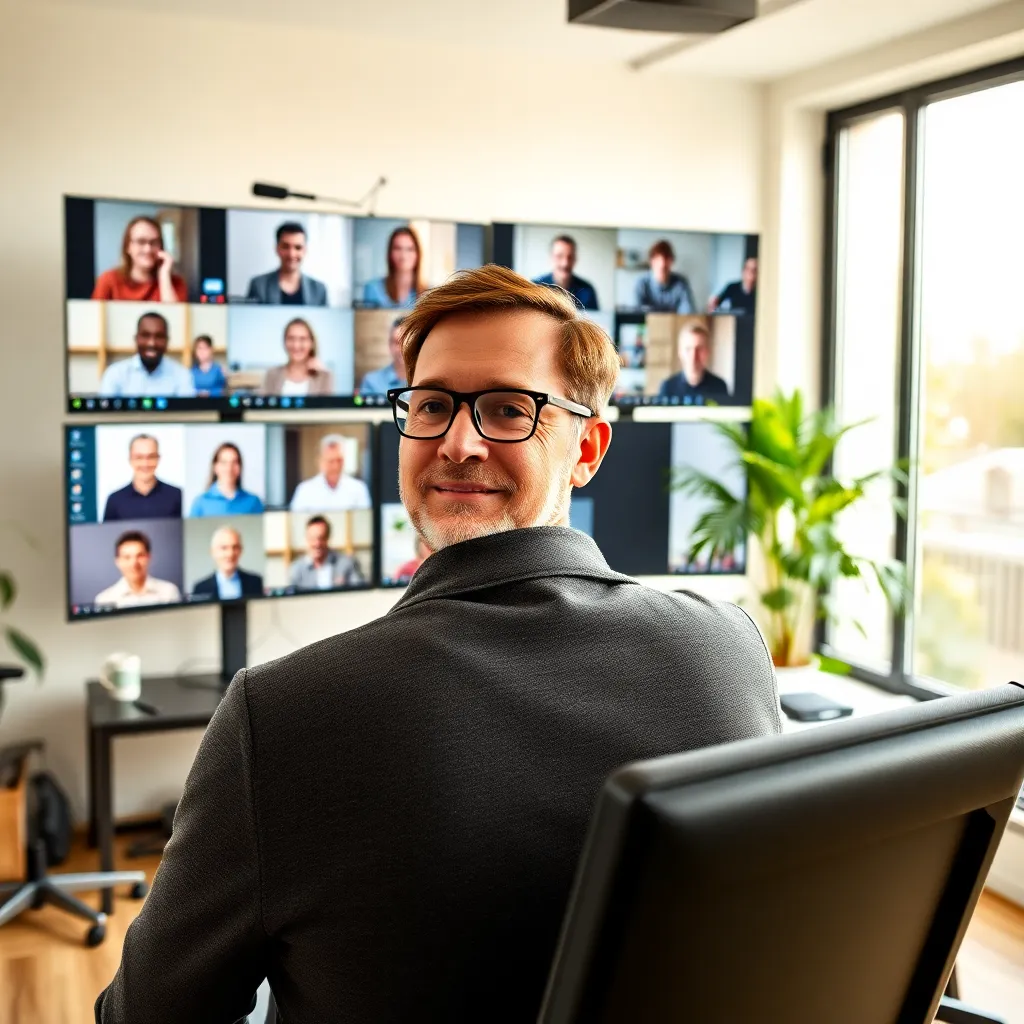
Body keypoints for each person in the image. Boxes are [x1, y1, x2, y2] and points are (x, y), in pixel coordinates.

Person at [96, 265, 780, 1024]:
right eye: (430, 405)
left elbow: (144, 1014)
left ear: (587, 450)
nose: (457, 442)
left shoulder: (281, 714)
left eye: (506, 409)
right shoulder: (729, 644)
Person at [91, 216, 188, 303]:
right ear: (128, 247)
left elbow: (175, 320)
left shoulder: (175, 283)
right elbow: (93, 318)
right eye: (141, 242)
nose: (148, 249)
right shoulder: (108, 280)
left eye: (154, 242)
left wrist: (164, 275)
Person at [99, 312, 196, 398]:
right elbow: (104, 416)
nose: (151, 343)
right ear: (136, 339)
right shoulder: (115, 374)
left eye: (159, 337)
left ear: (167, 341)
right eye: (145, 336)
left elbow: (187, 416)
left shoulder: (182, 375)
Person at [245, 222, 328, 306]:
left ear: (305, 250)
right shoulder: (259, 285)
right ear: (277, 248)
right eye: (285, 247)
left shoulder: (319, 289)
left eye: (298, 248)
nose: (291, 254)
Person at [103, 434, 182, 520]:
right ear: (130, 459)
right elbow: (107, 533)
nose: (145, 463)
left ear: (158, 458)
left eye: (151, 457)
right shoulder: (115, 500)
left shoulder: (176, 496)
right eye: (139, 457)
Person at [93, 530, 181, 608]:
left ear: (149, 558)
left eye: (140, 556)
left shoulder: (169, 592)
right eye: (127, 557)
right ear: (117, 562)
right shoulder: (104, 599)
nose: (134, 563)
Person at [289, 435, 371, 511]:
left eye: (339, 460)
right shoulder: (305, 490)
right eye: (331, 461)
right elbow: (296, 521)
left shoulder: (358, 488)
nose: (336, 466)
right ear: (320, 461)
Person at [259, 318, 336, 397]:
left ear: (312, 343)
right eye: (291, 338)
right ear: (284, 342)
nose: (296, 345)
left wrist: (324, 372)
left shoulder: (324, 376)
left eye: (302, 339)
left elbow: (327, 408)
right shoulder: (272, 374)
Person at [658, 322, 730, 402]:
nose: (693, 356)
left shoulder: (719, 387)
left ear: (708, 351)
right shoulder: (668, 387)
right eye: (688, 349)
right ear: (680, 352)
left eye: (699, 349)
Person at [288, 515, 364, 590]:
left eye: (322, 538)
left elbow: (360, 590)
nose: (317, 544)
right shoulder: (296, 568)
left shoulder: (347, 563)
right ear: (306, 539)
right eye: (312, 538)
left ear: (328, 538)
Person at [189, 442, 264, 517]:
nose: (229, 468)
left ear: (240, 467)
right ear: (215, 467)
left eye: (234, 462)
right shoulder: (200, 503)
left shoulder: (253, 502)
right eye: (224, 462)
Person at [192, 526, 264, 600]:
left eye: (235, 547)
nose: (230, 554)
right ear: (212, 552)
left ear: (241, 551)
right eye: (224, 548)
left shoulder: (255, 582)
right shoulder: (200, 588)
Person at [361, 226, 424, 308]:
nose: (403, 256)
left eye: (410, 249)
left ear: (418, 254)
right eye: (398, 248)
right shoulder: (373, 288)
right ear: (390, 253)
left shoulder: (428, 294)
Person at [532, 234, 599, 310]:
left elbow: (594, 320)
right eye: (559, 256)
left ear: (575, 259)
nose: (565, 263)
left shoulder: (587, 290)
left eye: (570, 257)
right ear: (551, 258)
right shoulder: (535, 287)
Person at [633, 239, 696, 313]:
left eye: (666, 259)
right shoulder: (641, 284)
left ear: (672, 261)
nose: (662, 264)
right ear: (651, 261)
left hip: (675, 324)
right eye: (657, 259)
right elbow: (637, 316)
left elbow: (688, 313)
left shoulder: (681, 283)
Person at [359, 317, 407, 394]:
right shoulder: (371, 382)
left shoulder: (426, 379)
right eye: (397, 342)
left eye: (408, 341)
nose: (402, 348)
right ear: (389, 345)